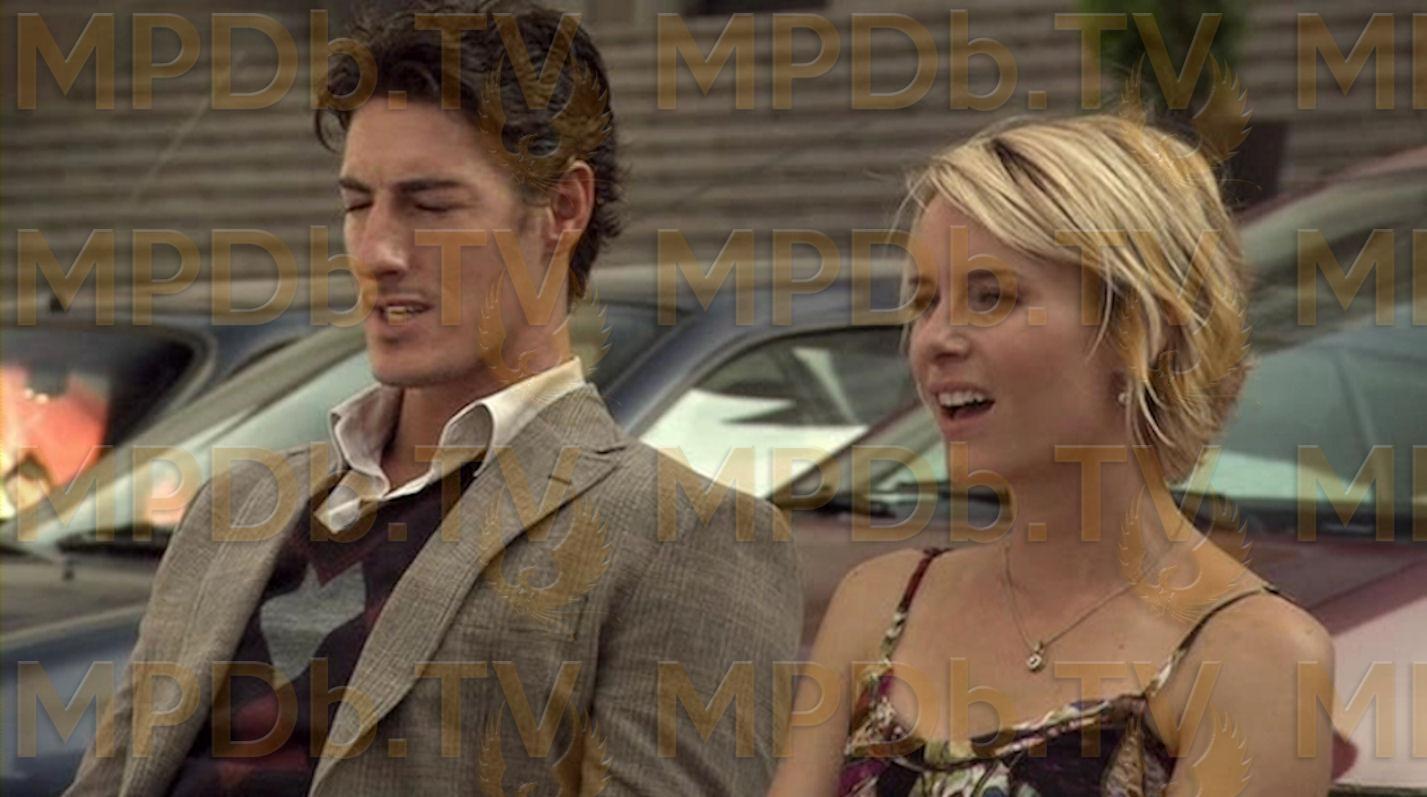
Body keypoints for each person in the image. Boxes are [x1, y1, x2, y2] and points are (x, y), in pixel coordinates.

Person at [66, 3, 801, 794]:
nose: (377, 250)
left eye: (430, 205)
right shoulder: (232, 507)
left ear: (562, 209)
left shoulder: (682, 535)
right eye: (358, 204)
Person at [770, 112, 1335, 796]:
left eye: (991, 297)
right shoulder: (879, 602)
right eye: (925, 302)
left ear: (1136, 326)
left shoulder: (1254, 656)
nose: (935, 339)